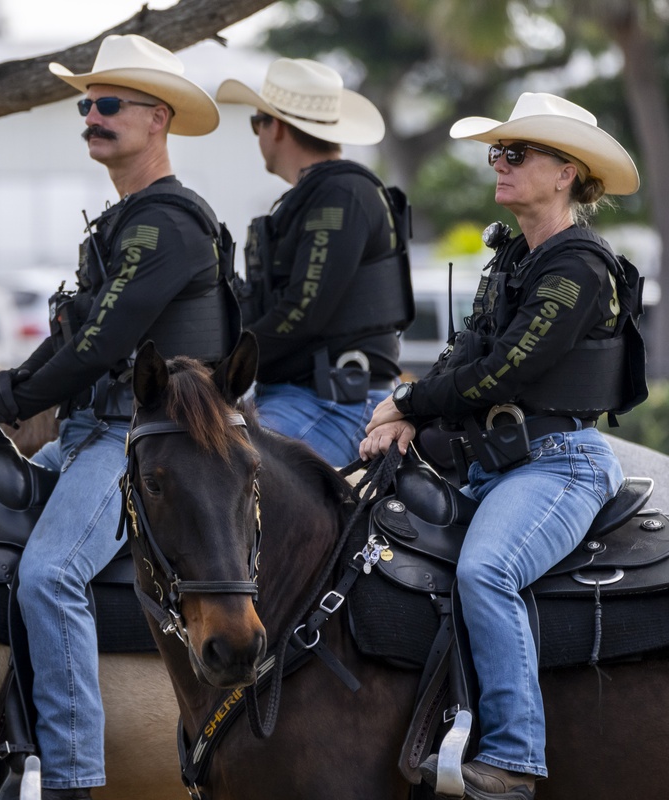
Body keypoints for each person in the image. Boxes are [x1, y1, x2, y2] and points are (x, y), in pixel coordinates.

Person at [0, 34, 238, 799]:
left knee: (50, 574)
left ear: (159, 119)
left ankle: (72, 777)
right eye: (86, 103)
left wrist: (6, 399)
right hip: (87, 435)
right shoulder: (122, 221)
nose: (92, 114)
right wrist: (8, 396)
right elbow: (77, 343)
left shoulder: (166, 224)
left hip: (141, 442)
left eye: (109, 104)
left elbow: (101, 342)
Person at [360, 92, 645, 800]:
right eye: (497, 152)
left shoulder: (578, 267)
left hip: (559, 468)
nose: (500, 164)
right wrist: (406, 421)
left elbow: (509, 367)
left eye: (516, 154)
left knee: (486, 573)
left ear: (566, 173)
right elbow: (463, 357)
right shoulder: (515, 256)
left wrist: (404, 402)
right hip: (491, 468)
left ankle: (515, 758)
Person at [215, 58, 413, 467]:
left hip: (335, 402)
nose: (257, 135)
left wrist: (220, 366)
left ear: (279, 127)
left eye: (257, 123)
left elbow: (304, 309)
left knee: (222, 473)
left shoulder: (340, 194)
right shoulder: (318, 195)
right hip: (300, 396)